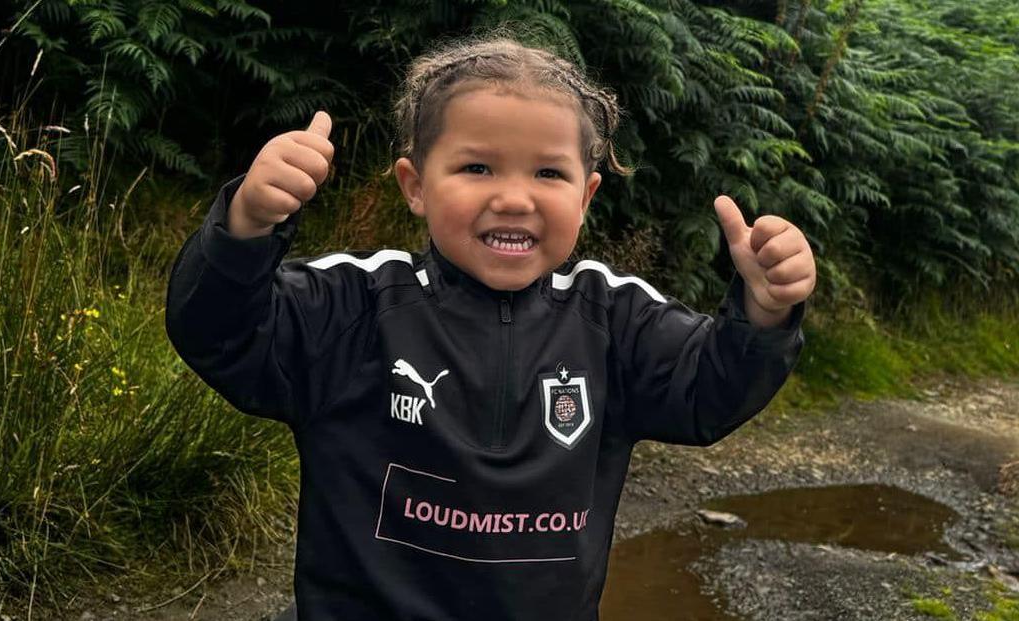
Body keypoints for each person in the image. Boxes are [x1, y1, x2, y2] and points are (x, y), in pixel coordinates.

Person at [165, 36, 814, 621]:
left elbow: (708, 391)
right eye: (477, 167)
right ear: (415, 186)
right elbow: (221, 334)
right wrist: (245, 228)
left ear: (585, 198)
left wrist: (762, 313)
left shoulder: (614, 317)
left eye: (548, 172)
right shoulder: (355, 303)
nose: (513, 196)